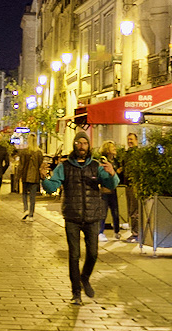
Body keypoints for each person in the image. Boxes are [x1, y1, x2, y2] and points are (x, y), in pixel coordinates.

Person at [41, 131, 119, 306]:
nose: (81, 146)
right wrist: (44, 178)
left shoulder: (97, 166)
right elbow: (52, 186)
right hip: (72, 216)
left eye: (84, 143)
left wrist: (112, 174)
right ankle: (76, 292)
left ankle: (85, 278)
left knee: (93, 253)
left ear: (88, 146)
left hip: (92, 216)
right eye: (78, 143)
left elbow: (111, 184)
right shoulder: (65, 166)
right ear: (74, 145)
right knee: (74, 255)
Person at [98, 140, 122, 242]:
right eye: (113, 148)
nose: (115, 149)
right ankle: (100, 232)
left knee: (115, 212)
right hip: (104, 191)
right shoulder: (103, 160)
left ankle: (116, 231)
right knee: (103, 213)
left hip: (113, 190)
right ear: (108, 150)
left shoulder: (116, 161)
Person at [17, 134, 44, 222]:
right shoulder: (39, 152)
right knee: (33, 196)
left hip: (25, 176)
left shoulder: (24, 152)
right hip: (35, 177)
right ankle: (31, 215)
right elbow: (40, 165)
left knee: (24, 194)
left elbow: (21, 165)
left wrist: (18, 177)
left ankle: (26, 209)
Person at [122, 132, 140, 242]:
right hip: (128, 185)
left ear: (136, 140)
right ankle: (134, 232)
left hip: (135, 185)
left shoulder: (138, 154)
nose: (129, 141)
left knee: (134, 210)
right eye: (128, 139)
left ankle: (136, 234)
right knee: (130, 210)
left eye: (131, 139)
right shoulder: (127, 154)